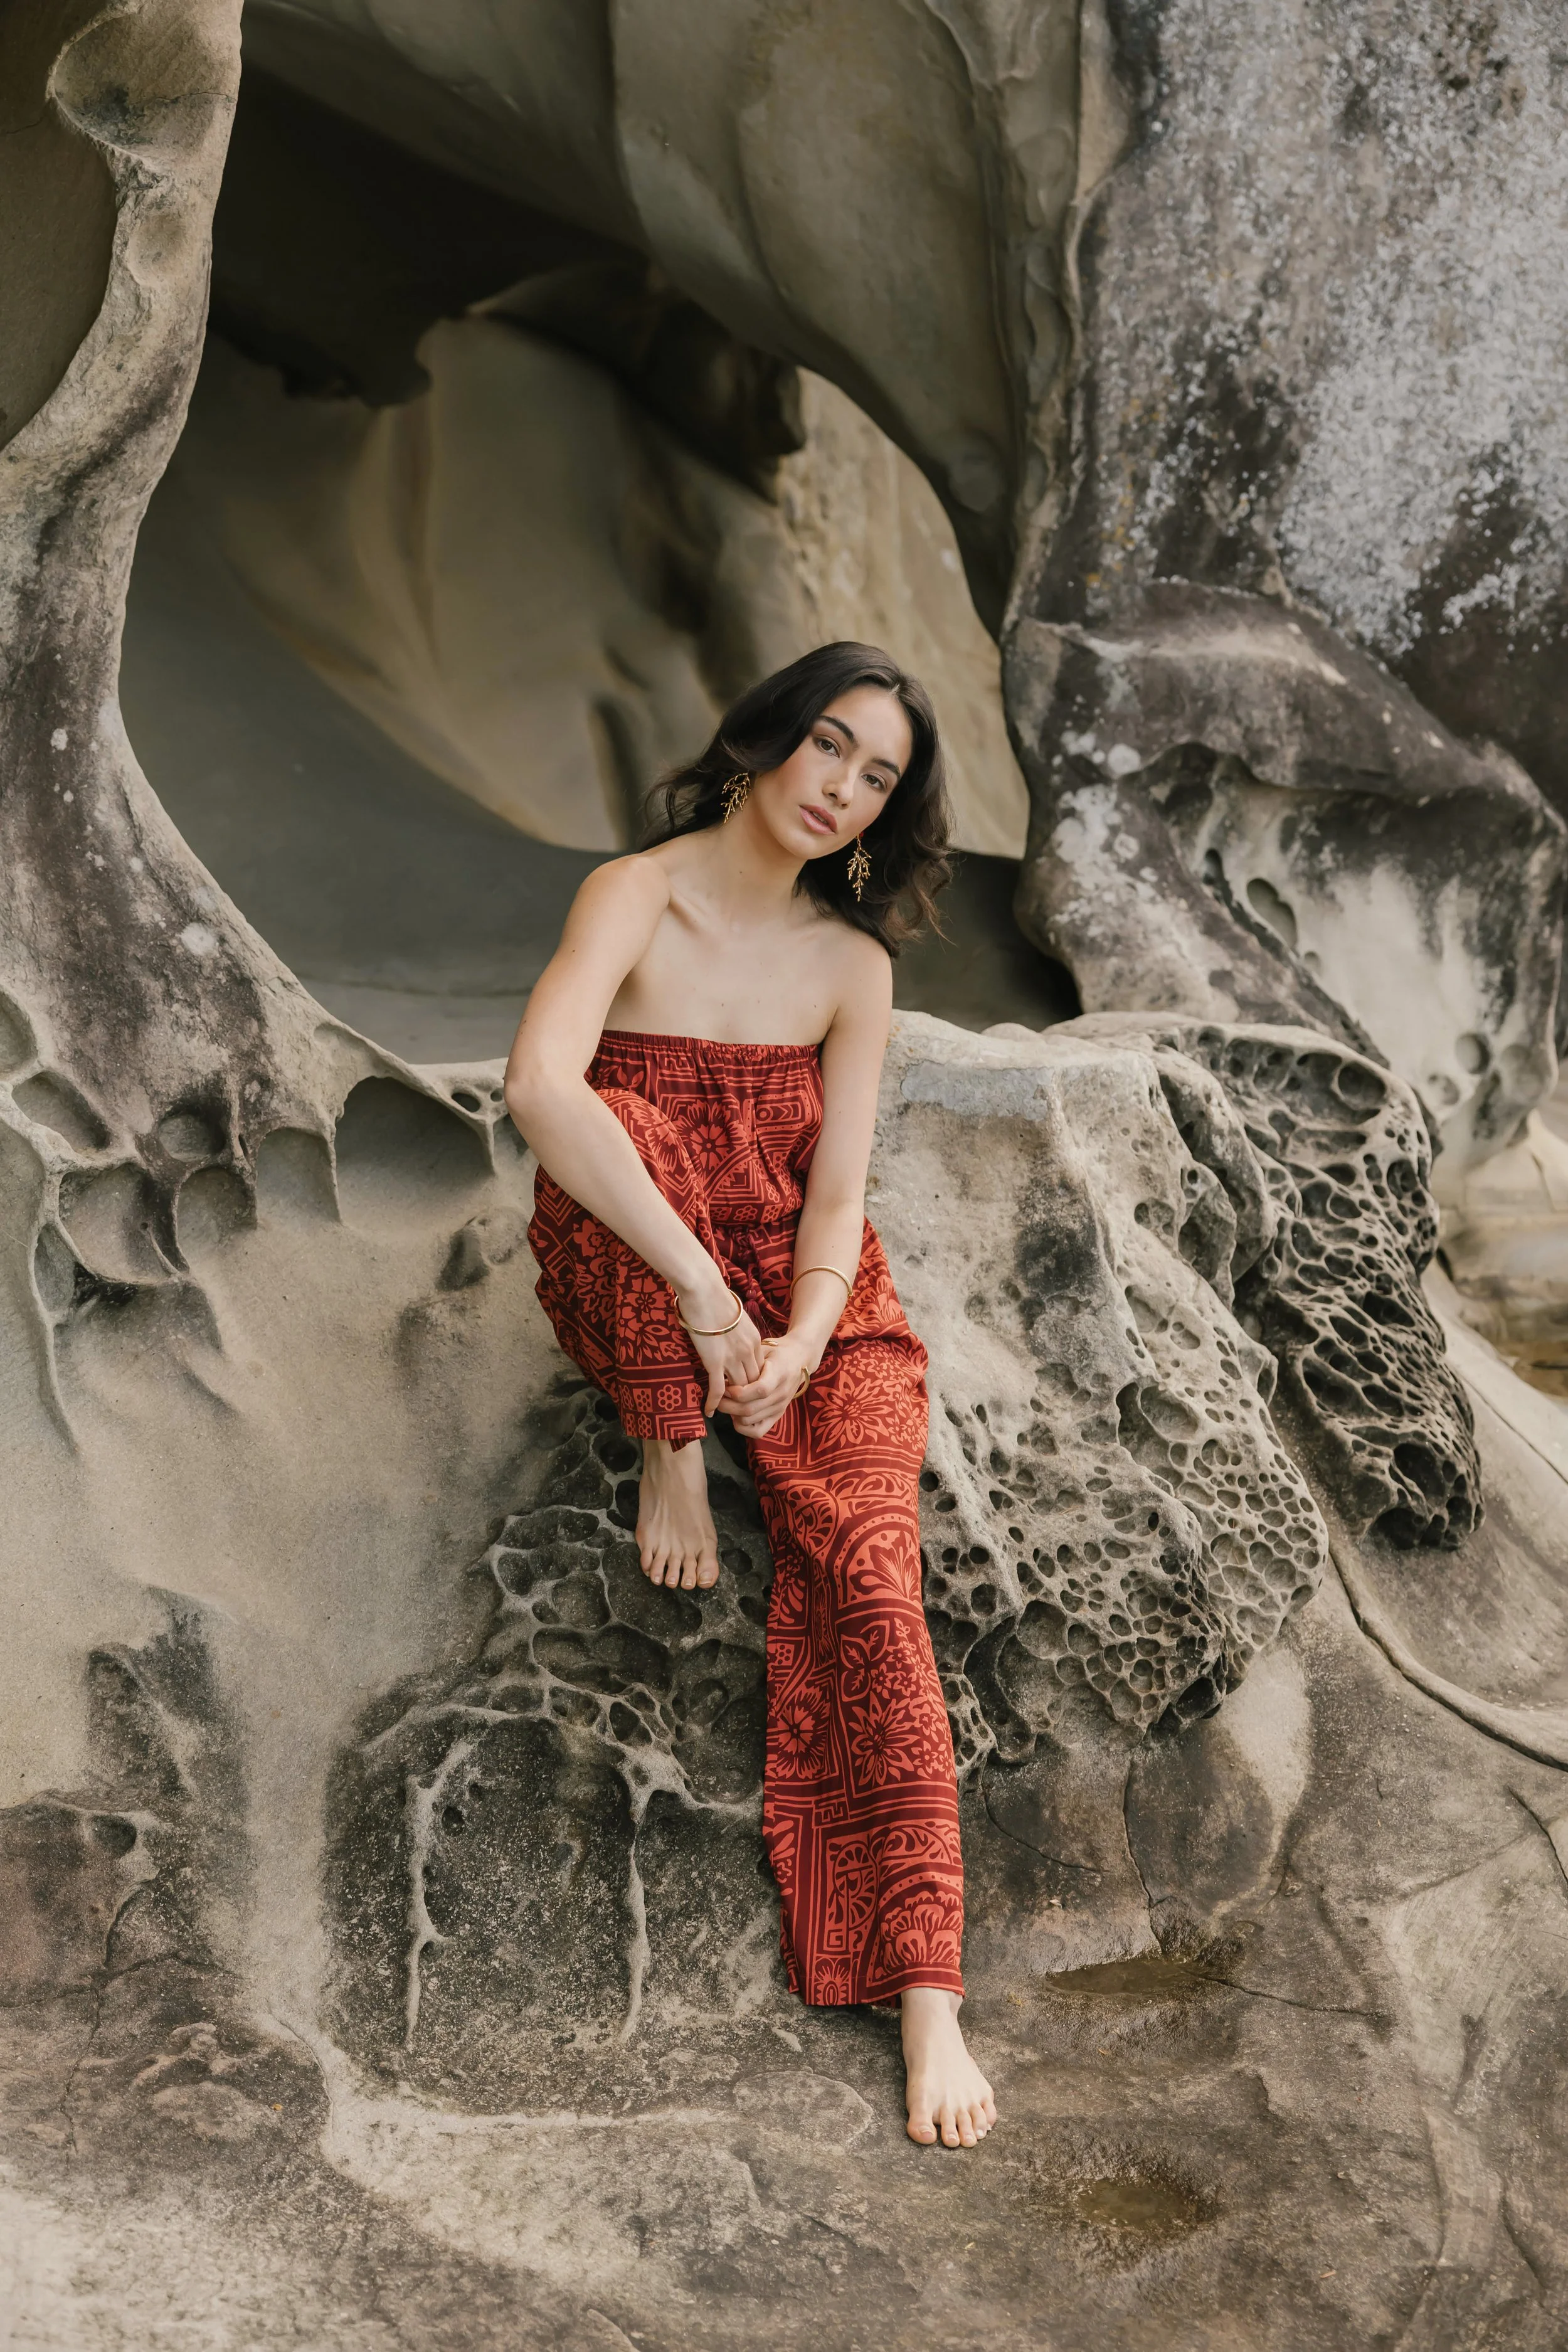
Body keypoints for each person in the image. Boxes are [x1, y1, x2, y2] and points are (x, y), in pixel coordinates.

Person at [504, 642, 996, 2149]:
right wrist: (704, 1303)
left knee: (865, 1569)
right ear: (764, 739)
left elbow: (839, 1192)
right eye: (826, 748)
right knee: (618, 1120)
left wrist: (800, 1328)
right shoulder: (632, 895)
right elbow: (539, 1087)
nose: (839, 790)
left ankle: (924, 1996)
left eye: (876, 777)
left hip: (804, 1305)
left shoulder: (854, 967)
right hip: (646, 1264)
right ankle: (666, 1444)